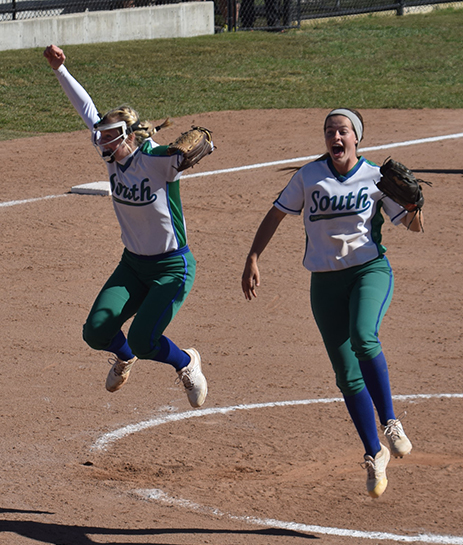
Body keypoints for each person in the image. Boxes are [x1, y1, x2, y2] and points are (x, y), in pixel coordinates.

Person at [241, 108, 421, 498]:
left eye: (342, 131)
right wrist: (254, 256)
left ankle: (390, 423)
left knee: (363, 337)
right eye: (329, 132)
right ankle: (375, 453)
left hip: (368, 272)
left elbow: (410, 224)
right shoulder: (308, 176)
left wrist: (412, 207)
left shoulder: (376, 177)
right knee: (345, 373)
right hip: (324, 283)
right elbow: (276, 214)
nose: (335, 138)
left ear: (356, 138)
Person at [43, 44, 208, 408]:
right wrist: (60, 70)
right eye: (102, 134)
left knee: (144, 339)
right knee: (96, 330)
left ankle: (186, 362)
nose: (101, 140)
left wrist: (196, 146)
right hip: (132, 265)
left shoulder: (157, 160)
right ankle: (124, 357)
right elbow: (87, 110)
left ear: (128, 135)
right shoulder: (112, 153)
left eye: (109, 135)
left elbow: (199, 143)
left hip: (171, 268)